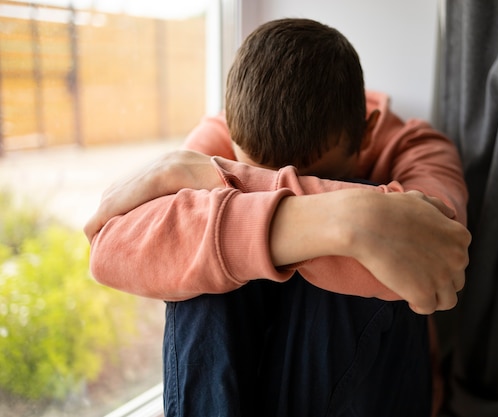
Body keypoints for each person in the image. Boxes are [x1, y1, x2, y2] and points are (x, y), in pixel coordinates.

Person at [86, 18, 470, 417]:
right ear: (230, 129)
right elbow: (109, 251)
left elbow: (440, 254)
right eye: (245, 163)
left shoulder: (419, 149)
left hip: (377, 392)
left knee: (226, 212)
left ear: (368, 133)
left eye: (320, 177)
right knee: (199, 246)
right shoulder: (224, 131)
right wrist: (348, 217)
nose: (303, 188)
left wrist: (353, 210)